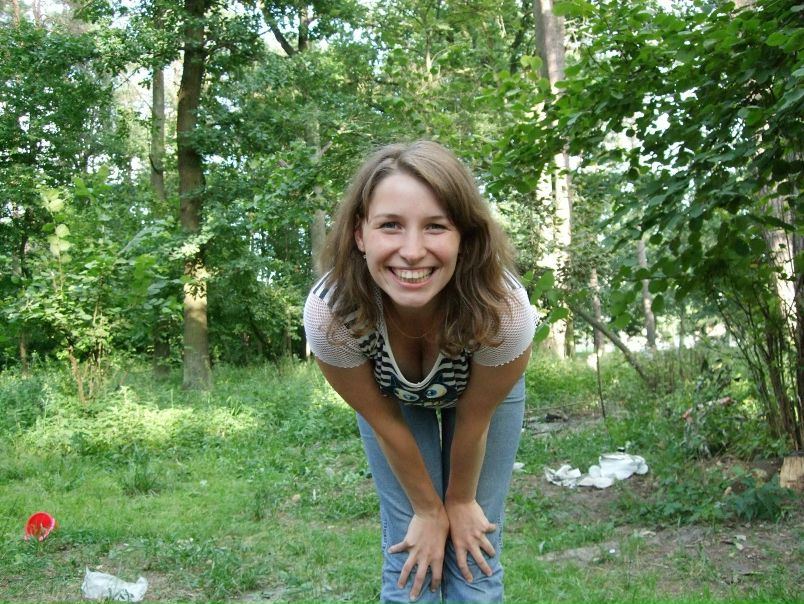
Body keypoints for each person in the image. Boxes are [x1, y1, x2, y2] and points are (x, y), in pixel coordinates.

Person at [303, 140, 536, 604]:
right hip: (392, 404)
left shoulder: (504, 312)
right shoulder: (331, 315)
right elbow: (384, 422)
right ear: (360, 233)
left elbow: (474, 420)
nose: (412, 251)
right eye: (390, 225)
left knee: (474, 550)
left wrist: (459, 502)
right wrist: (429, 510)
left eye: (435, 226)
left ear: (464, 236)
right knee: (410, 547)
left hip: (480, 402)